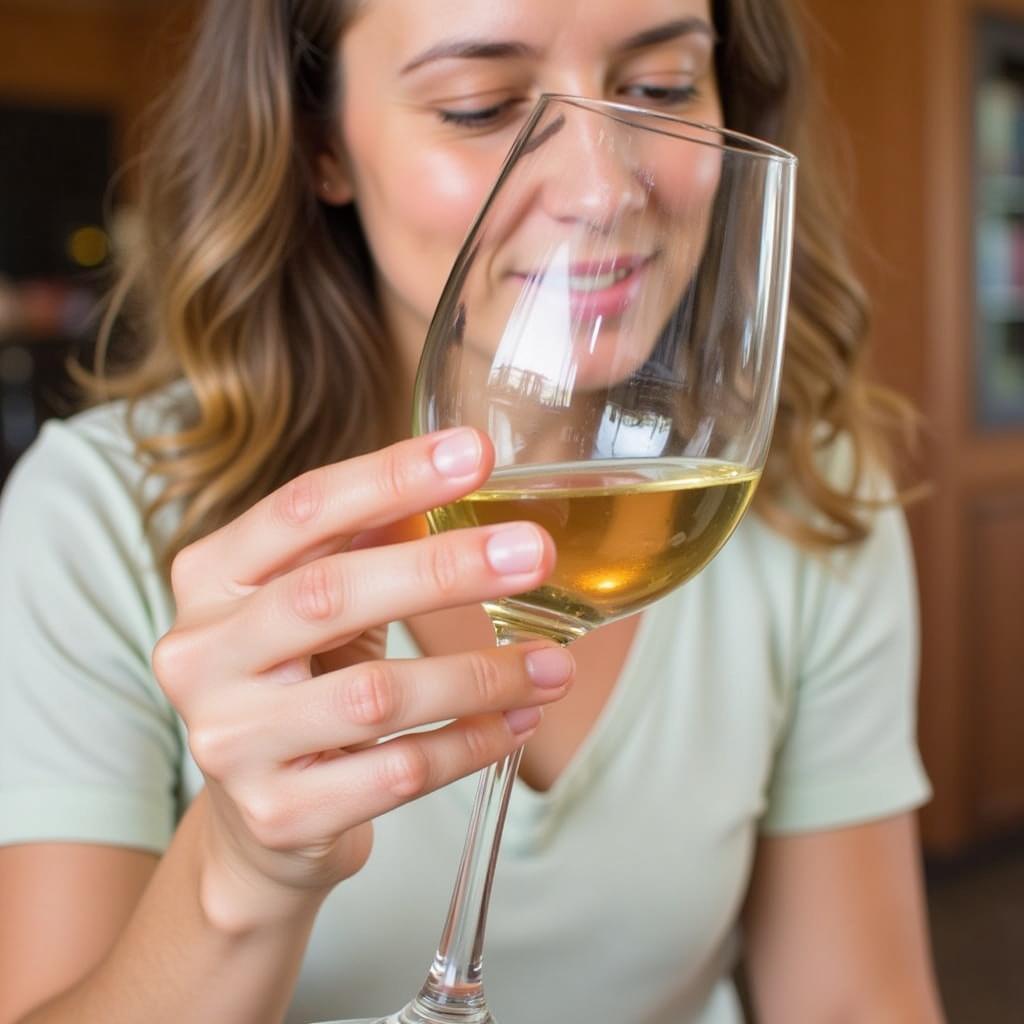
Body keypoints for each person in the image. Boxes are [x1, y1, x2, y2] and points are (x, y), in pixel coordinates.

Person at [0, 1, 946, 1022]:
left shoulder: (807, 493)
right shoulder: (94, 514)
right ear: (322, 145)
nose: (601, 188)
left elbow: (857, 998)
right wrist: (243, 874)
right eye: (480, 105)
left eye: (661, 87)